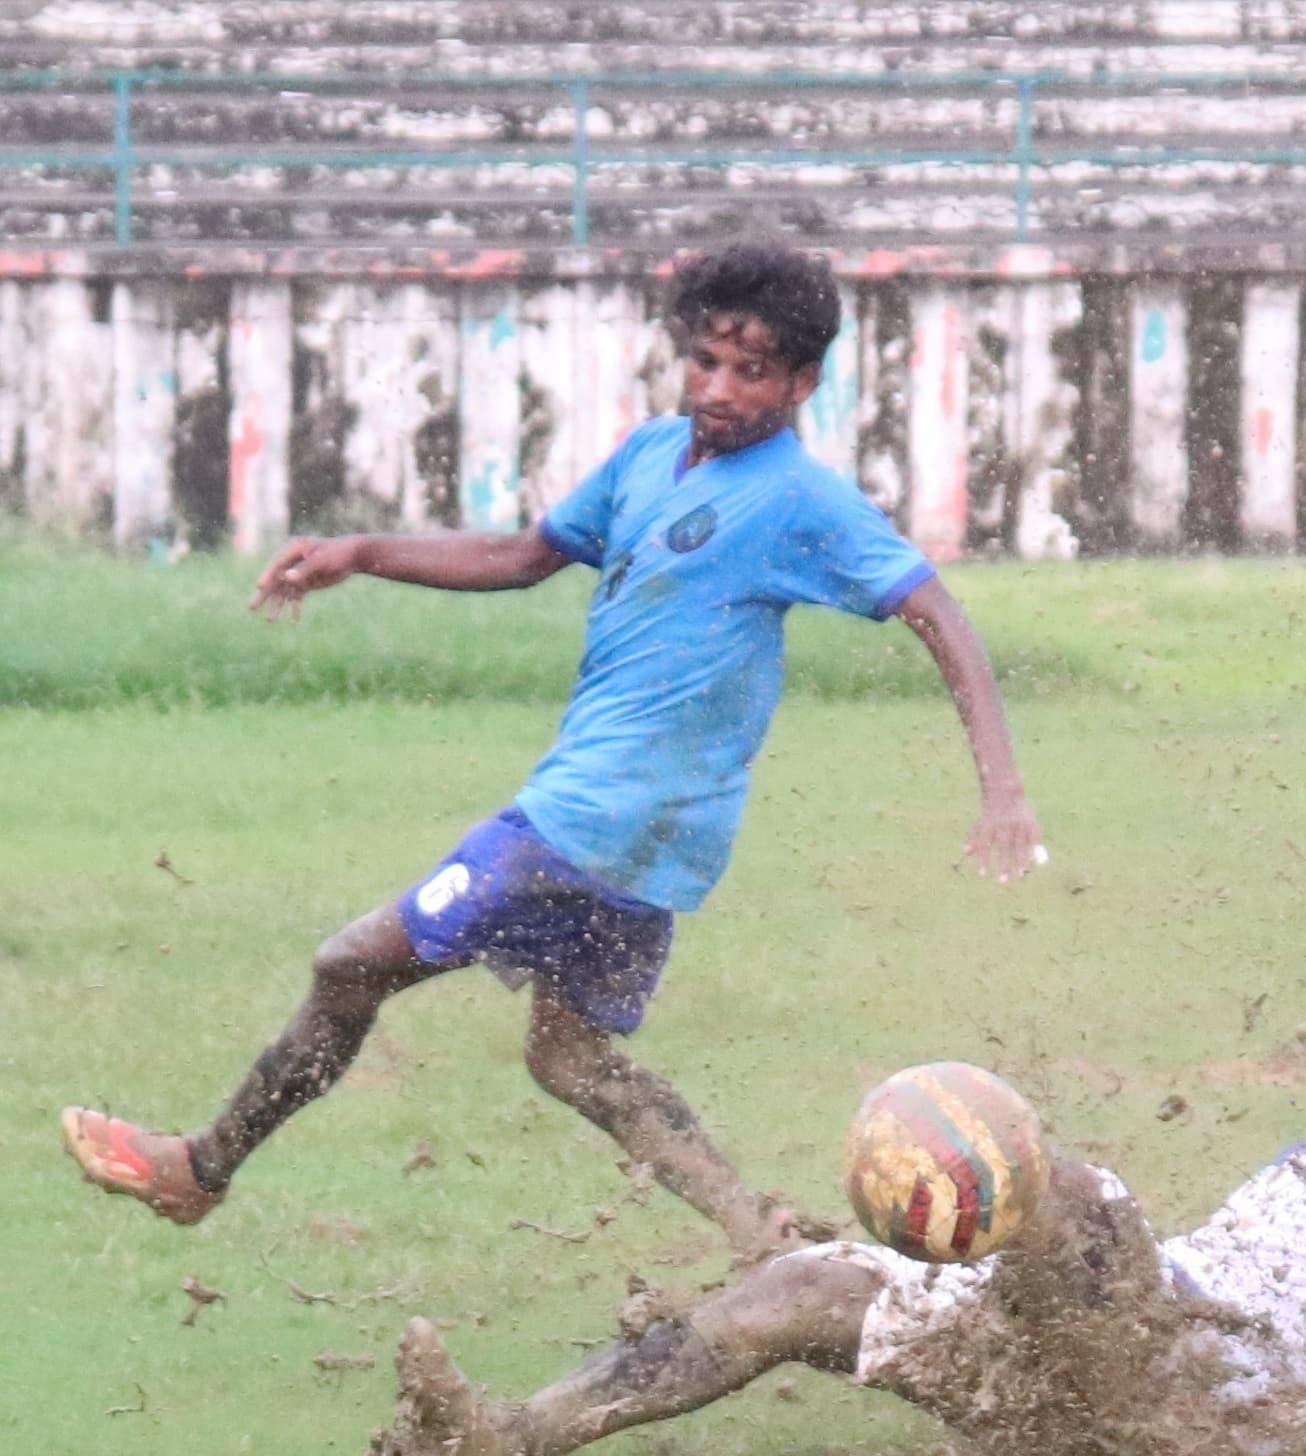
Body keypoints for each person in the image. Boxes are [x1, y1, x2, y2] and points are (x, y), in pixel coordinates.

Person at [61, 242, 1044, 1261]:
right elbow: (524, 555)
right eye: (706, 361)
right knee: (570, 1057)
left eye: (753, 373)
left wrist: (1003, 789)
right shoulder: (650, 454)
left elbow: (934, 609)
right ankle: (762, 1236)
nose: (720, 389)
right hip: (658, 843)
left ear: (804, 382)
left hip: (592, 819)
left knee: (351, 963)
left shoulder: (801, 500)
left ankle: (198, 1170)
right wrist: (360, 553)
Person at [365, 908, 1306, 1456]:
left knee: (1079, 1193)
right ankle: (503, 1441)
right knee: (798, 1290)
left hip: (1171, 1400)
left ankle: (980, 1188)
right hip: (1074, 1391)